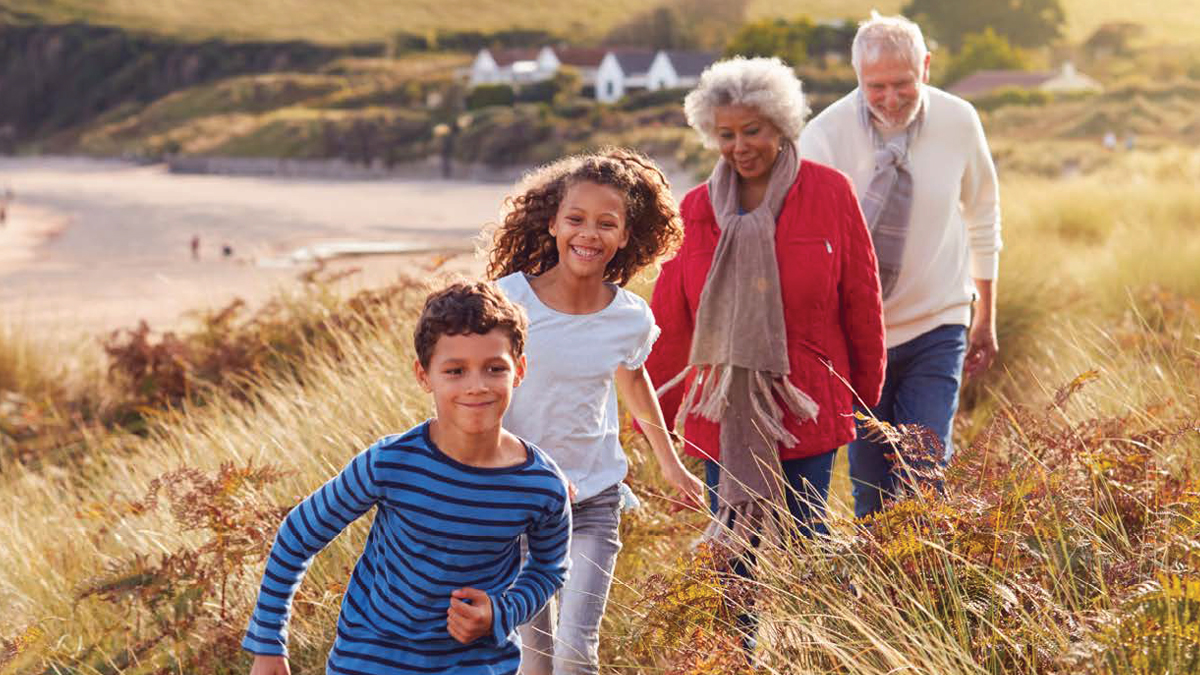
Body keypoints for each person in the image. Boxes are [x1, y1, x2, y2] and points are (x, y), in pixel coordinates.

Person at [242, 281, 572, 675]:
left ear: (518, 370)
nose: (477, 385)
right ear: (424, 375)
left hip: (478, 665)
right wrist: (268, 644)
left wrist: (502, 612)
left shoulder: (542, 485)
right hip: (368, 660)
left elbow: (550, 567)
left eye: (494, 368)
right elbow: (298, 534)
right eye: (455, 371)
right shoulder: (390, 463)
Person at [486, 148, 705, 675]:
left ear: (626, 236)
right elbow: (477, 391)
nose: (589, 234)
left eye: (607, 223)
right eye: (577, 219)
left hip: (595, 498)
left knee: (576, 651)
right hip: (520, 503)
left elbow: (633, 378)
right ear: (555, 223)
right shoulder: (509, 301)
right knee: (533, 658)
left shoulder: (629, 317)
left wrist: (671, 463)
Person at [798, 12, 1002, 518]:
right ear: (858, 78)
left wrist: (986, 316)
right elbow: (804, 245)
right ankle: (887, 595)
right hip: (858, 340)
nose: (890, 98)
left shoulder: (959, 121)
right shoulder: (824, 137)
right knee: (872, 493)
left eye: (903, 84)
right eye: (876, 87)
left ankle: (937, 588)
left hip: (939, 323)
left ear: (926, 68)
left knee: (926, 473)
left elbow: (982, 215)